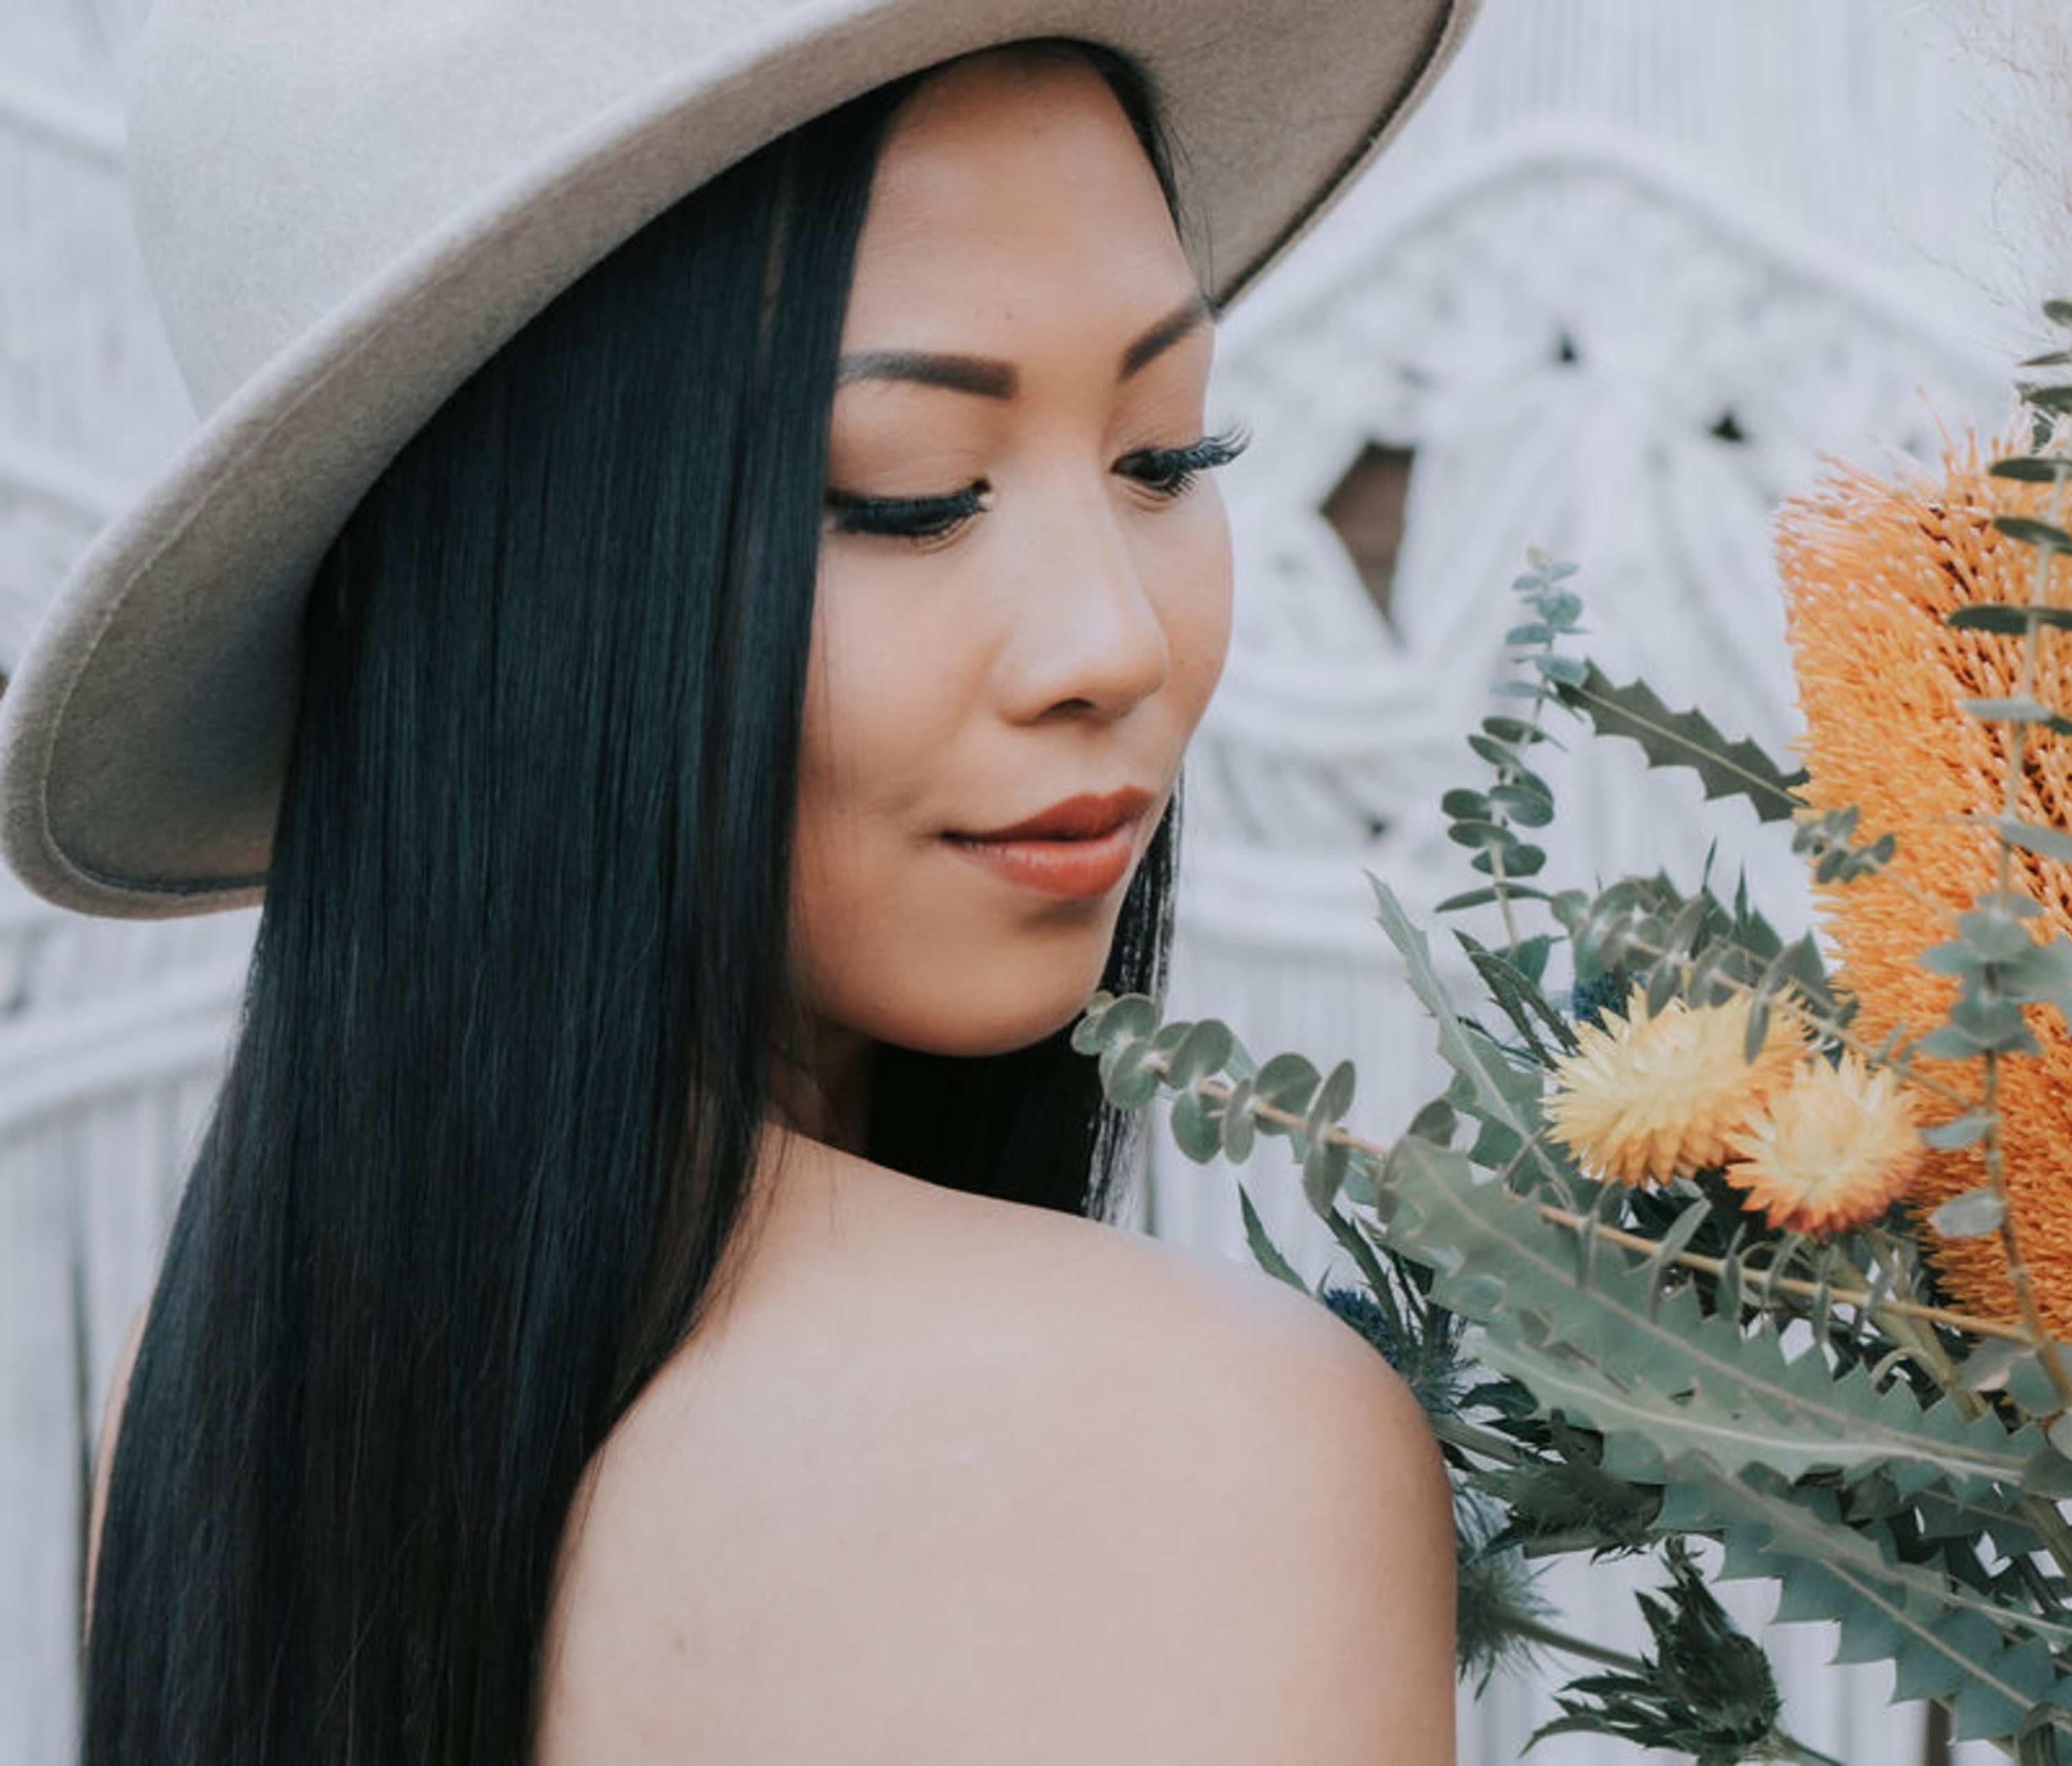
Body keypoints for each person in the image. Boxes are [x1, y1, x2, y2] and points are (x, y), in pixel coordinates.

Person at [6, 1, 1480, 1758]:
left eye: (1168, 457)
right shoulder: (1207, 1440)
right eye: (915, 494)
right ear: (505, 590)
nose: (1113, 639)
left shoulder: (220, 1389)